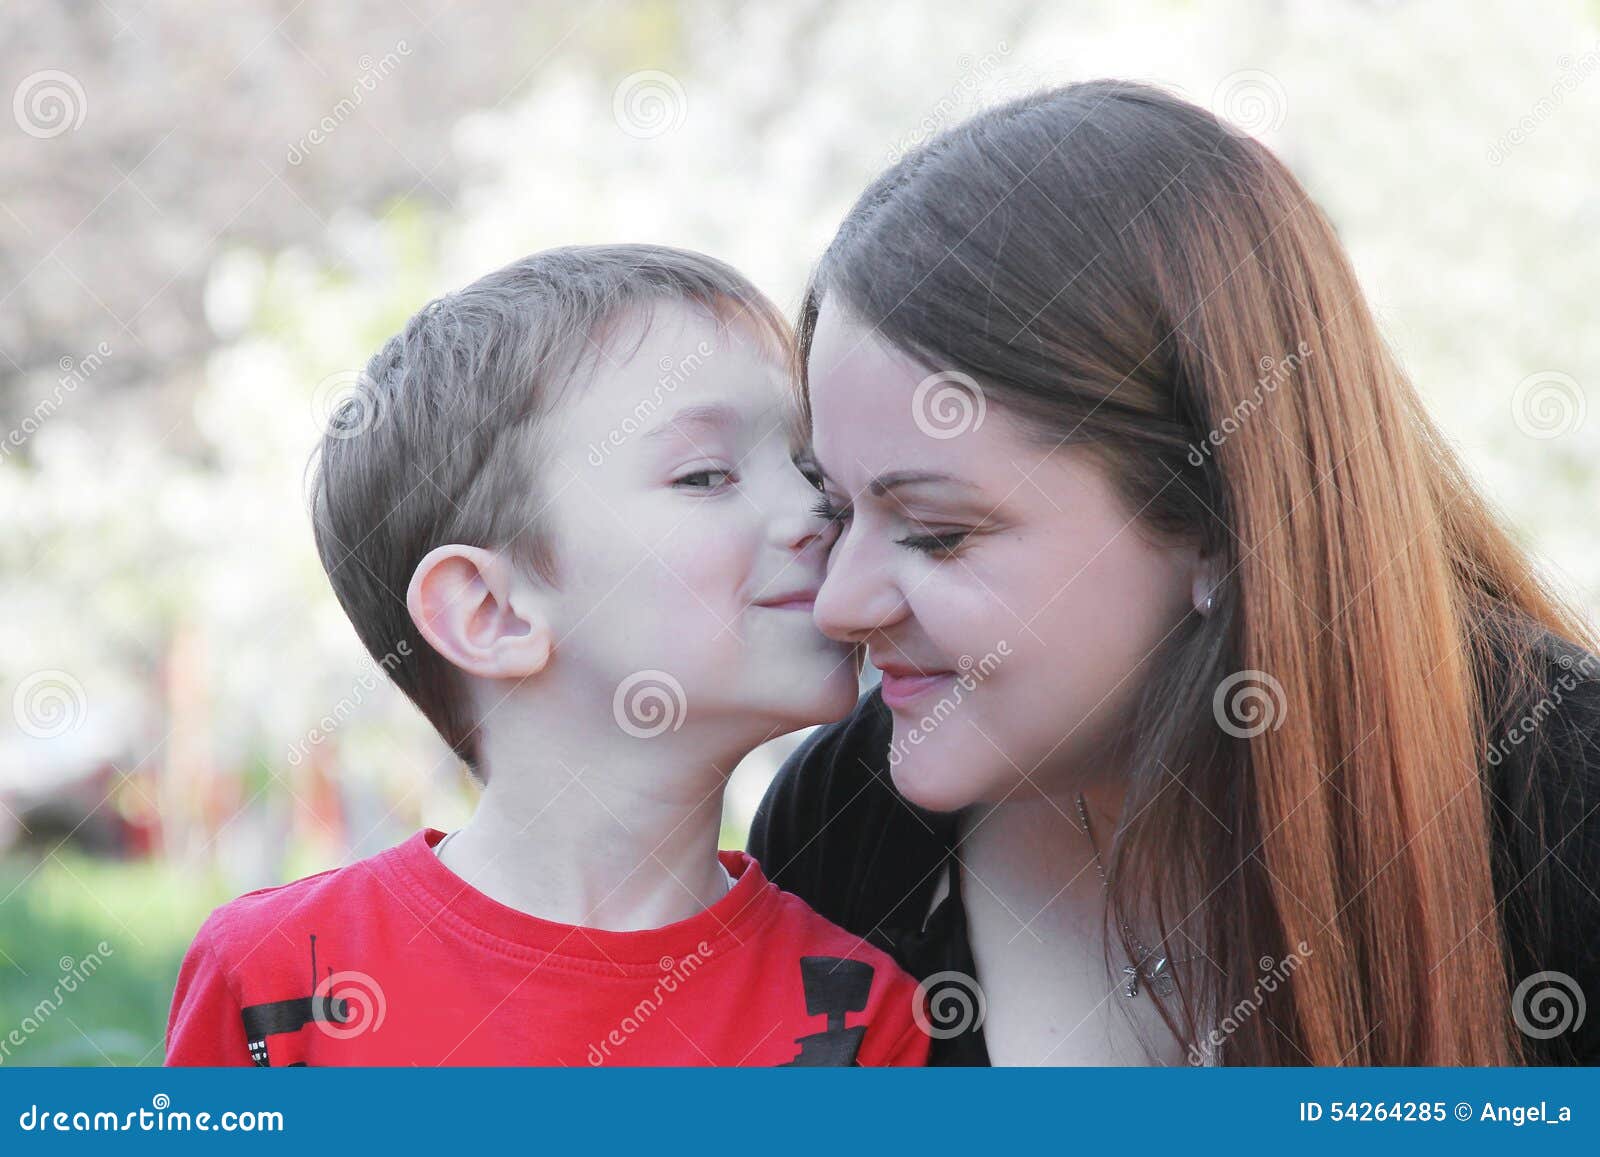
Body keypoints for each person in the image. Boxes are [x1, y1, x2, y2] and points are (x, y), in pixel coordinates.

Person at [750, 81, 1600, 1066]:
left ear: (1213, 521)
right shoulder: (844, 827)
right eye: (835, 508)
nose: (840, 601)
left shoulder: (1564, 802)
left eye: (937, 532)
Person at [166, 245, 928, 1067]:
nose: (821, 510)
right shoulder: (280, 980)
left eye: (809, 466)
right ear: (488, 611)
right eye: (707, 475)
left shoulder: (859, 1012)